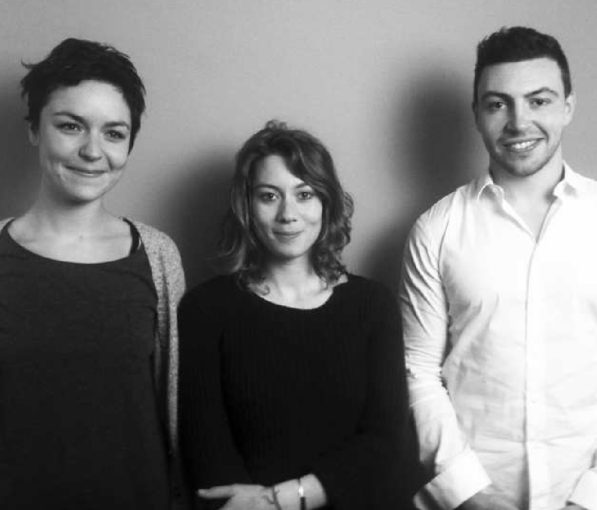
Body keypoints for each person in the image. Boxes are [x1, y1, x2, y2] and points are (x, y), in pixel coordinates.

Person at [400, 26, 597, 510]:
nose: (518, 121)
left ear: (568, 106)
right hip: (471, 498)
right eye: (498, 104)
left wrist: (589, 497)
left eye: (539, 100)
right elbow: (417, 371)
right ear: (477, 114)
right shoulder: (436, 229)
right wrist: (468, 492)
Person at [178, 120, 410, 510]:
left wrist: (282, 499)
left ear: (326, 203)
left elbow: (387, 444)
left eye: (304, 194)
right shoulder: (205, 310)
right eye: (269, 196)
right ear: (246, 207)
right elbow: (206, 453)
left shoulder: (373, 305)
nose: (288, 214)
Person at [0, 38, 185, 509]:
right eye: (70, 126)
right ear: (34, 130)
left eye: (114, 133)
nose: (92, 150)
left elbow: (177, 409)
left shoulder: (158, 255)